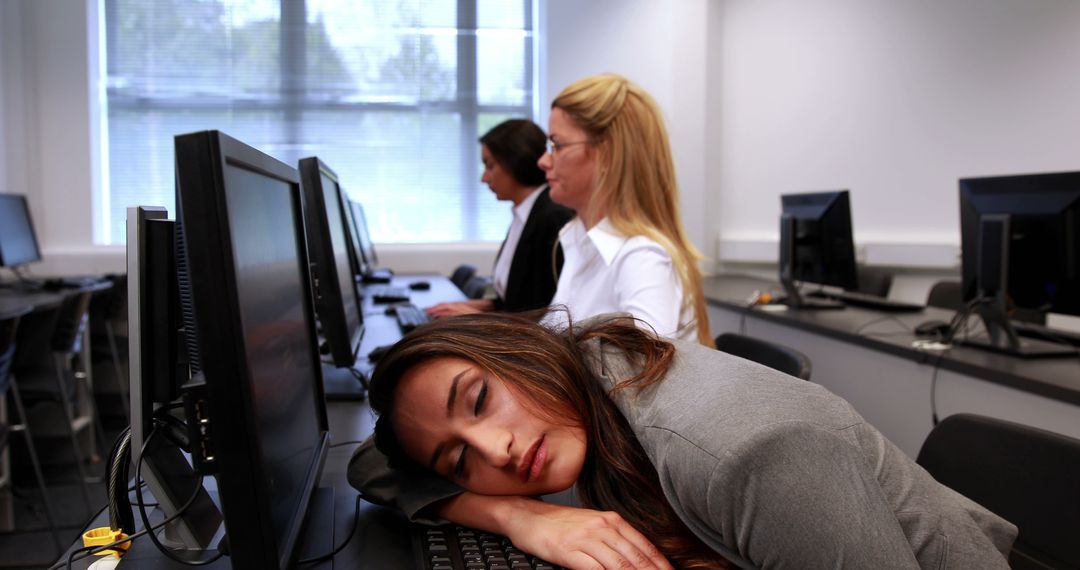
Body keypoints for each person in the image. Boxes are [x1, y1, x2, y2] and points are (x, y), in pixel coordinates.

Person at [349, 311, 1017, 569]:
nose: (494, 450)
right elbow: (371, 464)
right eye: (459, 459)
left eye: (479, 399)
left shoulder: (745, 451)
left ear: (517, 348)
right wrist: (513, 514)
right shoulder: (591, 365)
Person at [538, 73, 712, 346]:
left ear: (608, 154)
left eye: (557, 146)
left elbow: (639, 382)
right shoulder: (579, 240)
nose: (543, 161)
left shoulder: (642, 258)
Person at [427, 119, 574, 317]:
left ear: (516, 161)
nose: (484, 178)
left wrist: (477, 317)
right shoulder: (524, 213)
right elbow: (518, 300)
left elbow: (546, 311)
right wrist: (481, 306)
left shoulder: (552, 217)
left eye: (490, 165)